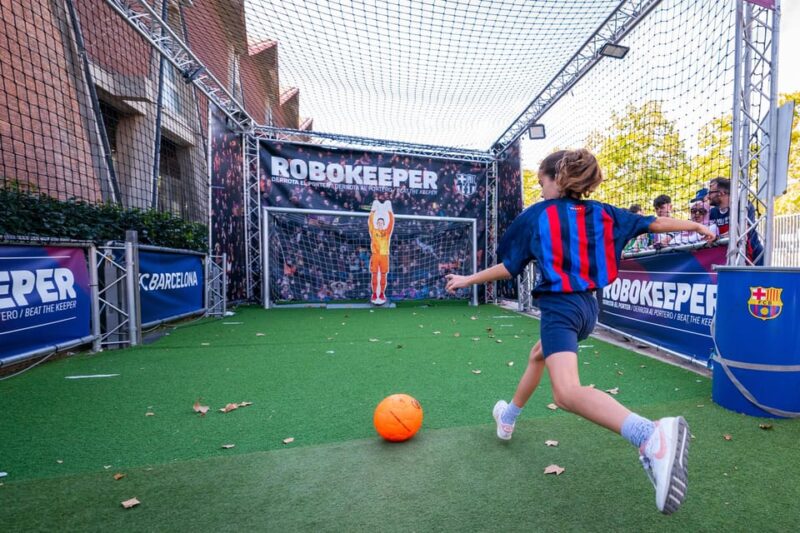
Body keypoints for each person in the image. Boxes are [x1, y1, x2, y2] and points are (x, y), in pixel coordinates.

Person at [445, 149, 714, 515]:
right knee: (538, 354)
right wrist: (695, 226)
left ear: (557, 178)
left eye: (541, 183)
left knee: (567, 392)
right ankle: (508, 417)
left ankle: (650, 436)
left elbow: (508, 267)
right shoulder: (604, 213)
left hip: (560, 308)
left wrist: (466, 279)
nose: (540, 192)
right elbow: (653, 224)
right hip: (589, 310)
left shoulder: (537, 216)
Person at [708, 177, 764, 265]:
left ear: (721, 193)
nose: (708, 196)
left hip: (752, 256)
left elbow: (742, 233)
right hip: (727, 257)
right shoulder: (713, 212)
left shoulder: (743, 206)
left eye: (710, 192)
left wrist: (717, 238)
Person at [368, 200, 395, 305]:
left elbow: (391, 223)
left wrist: (389, 212)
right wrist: (373, 212)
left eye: (381, 223)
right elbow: (370, 222)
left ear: (383, 224)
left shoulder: (386, 232)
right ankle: (375, 293)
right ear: (377, 224)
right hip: (375, 255)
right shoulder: (374, 231)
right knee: (374, 275)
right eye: (378, 223)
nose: (379, 224)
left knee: (383, 275)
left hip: (384, 256)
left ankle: (382, 293)